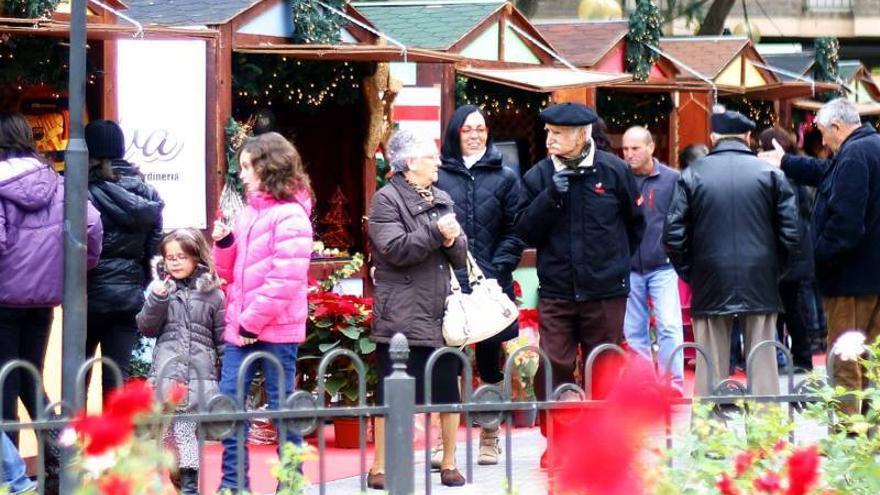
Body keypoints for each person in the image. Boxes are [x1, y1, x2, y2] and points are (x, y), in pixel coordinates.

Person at [514, 103, 645, 466]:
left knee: (604, 365)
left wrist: (615, 265)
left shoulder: (615, 170)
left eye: (557, 132)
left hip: (605, 291)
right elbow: (524, 230)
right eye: (548, 131)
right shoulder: (539, 175)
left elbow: (636, 225)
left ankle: (605, 442)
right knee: (553, 364)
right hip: (557, 291)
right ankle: (558, 442)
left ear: (582, 134)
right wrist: (550, 197)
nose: (549, 138)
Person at [664, 108, 799, 397]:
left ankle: (709, 437)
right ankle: (767, 437)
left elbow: (673, 236)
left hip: (710, 274)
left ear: (713, 137)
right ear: (748, 136)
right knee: (763, 363)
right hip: (760, 274)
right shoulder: (772, 174)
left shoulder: (692, 174)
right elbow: (791, 234)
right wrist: (775, 270)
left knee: (709, 367)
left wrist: (693, 272)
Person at [759, 98, 880, 416]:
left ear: (838, 127)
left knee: (846, 359)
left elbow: (846, 223)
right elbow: (828, 173)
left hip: (848, 279)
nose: (823, 140)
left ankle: (847, 433)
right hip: (869, 275)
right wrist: (786, 162)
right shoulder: (869, 147)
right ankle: (870, 429)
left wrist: (820, 254)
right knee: (870, 357)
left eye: (824, 132)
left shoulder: (854, 155)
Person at [211, 132, 313, 492]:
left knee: (283, 411)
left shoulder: (291, 216)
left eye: (246, 167)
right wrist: (224, 244)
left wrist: (249, 321)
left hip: (273, 330)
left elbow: (285, 279)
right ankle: (233, 483)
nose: (242, 174)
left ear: (267, 166)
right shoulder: (249, 213)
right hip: (243, 327)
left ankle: (290, 483)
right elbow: (228, 273)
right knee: (230, 407)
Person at [368, 129, 468, 489]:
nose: (438, 161)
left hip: (440, 308)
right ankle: (380, 466)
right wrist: (436, 233)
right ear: (410, 162)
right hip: (401, 310)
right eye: (431, 156)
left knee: (447, 389)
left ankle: (450, 461)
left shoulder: (442, 196)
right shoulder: (385, 199)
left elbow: (458, 254)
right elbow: (394, 249)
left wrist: (454, 238)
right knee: (390, 391)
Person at [0, 112, 103, 433]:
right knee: (30, 375)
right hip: (44, 299)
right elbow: (92, 225)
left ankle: (11, 476)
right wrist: (72, 270)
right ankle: (60, 455)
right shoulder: (57, 183)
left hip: (3, 300)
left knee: (4, 380)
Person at [435, 105, 524, 465]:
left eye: (482, 129)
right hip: (447, 283)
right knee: (448, 363)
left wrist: (499, 266)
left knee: (489, 362)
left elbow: (516, 229)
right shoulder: (439, 175)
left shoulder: (505, 176)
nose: (475, 135)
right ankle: (446, 443)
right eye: (468, 129)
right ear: (455, 133)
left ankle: (489, 435)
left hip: (489, 281)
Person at [137, 229, 224, 495]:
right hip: (168, 375)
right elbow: (146, 327)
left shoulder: (213, 295)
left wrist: (225, 373)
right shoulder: (162, 290)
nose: (175, 262)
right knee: (166, 438)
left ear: (197, 257)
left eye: (182, 257)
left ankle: (189, 487)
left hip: (198, 377)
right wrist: (157, 299)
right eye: (170, 257)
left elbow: (221, 337)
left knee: (186, 436)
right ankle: (177, 481)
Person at [85, 119, 164, 396]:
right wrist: (136, 280)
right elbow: (154, 248)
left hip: (88, 296)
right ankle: (114, 441)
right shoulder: (147, 192)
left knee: (76, 378)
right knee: (116, 381)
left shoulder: (82, 191)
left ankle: (72, 439)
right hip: (128, 296)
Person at [620, 126, 684, 392]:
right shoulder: (621, 178)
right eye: (625, 149)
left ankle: (673, 383)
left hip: (663, 265)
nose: (629, 154)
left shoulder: (671, 179)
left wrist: (675, 252)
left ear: (650, 148)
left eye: (635, 148)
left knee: (669, 324)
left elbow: (681, 219)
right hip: (629, 266)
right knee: (633, 330)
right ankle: (645, 385)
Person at [758, 127, 815, 374]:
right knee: (791, 307)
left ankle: (797, 357)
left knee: (788, 308)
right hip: (798, 249)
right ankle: (794, 357)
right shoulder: (798, 171)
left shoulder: (781, 176)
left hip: (786, 252)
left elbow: (785, 217)